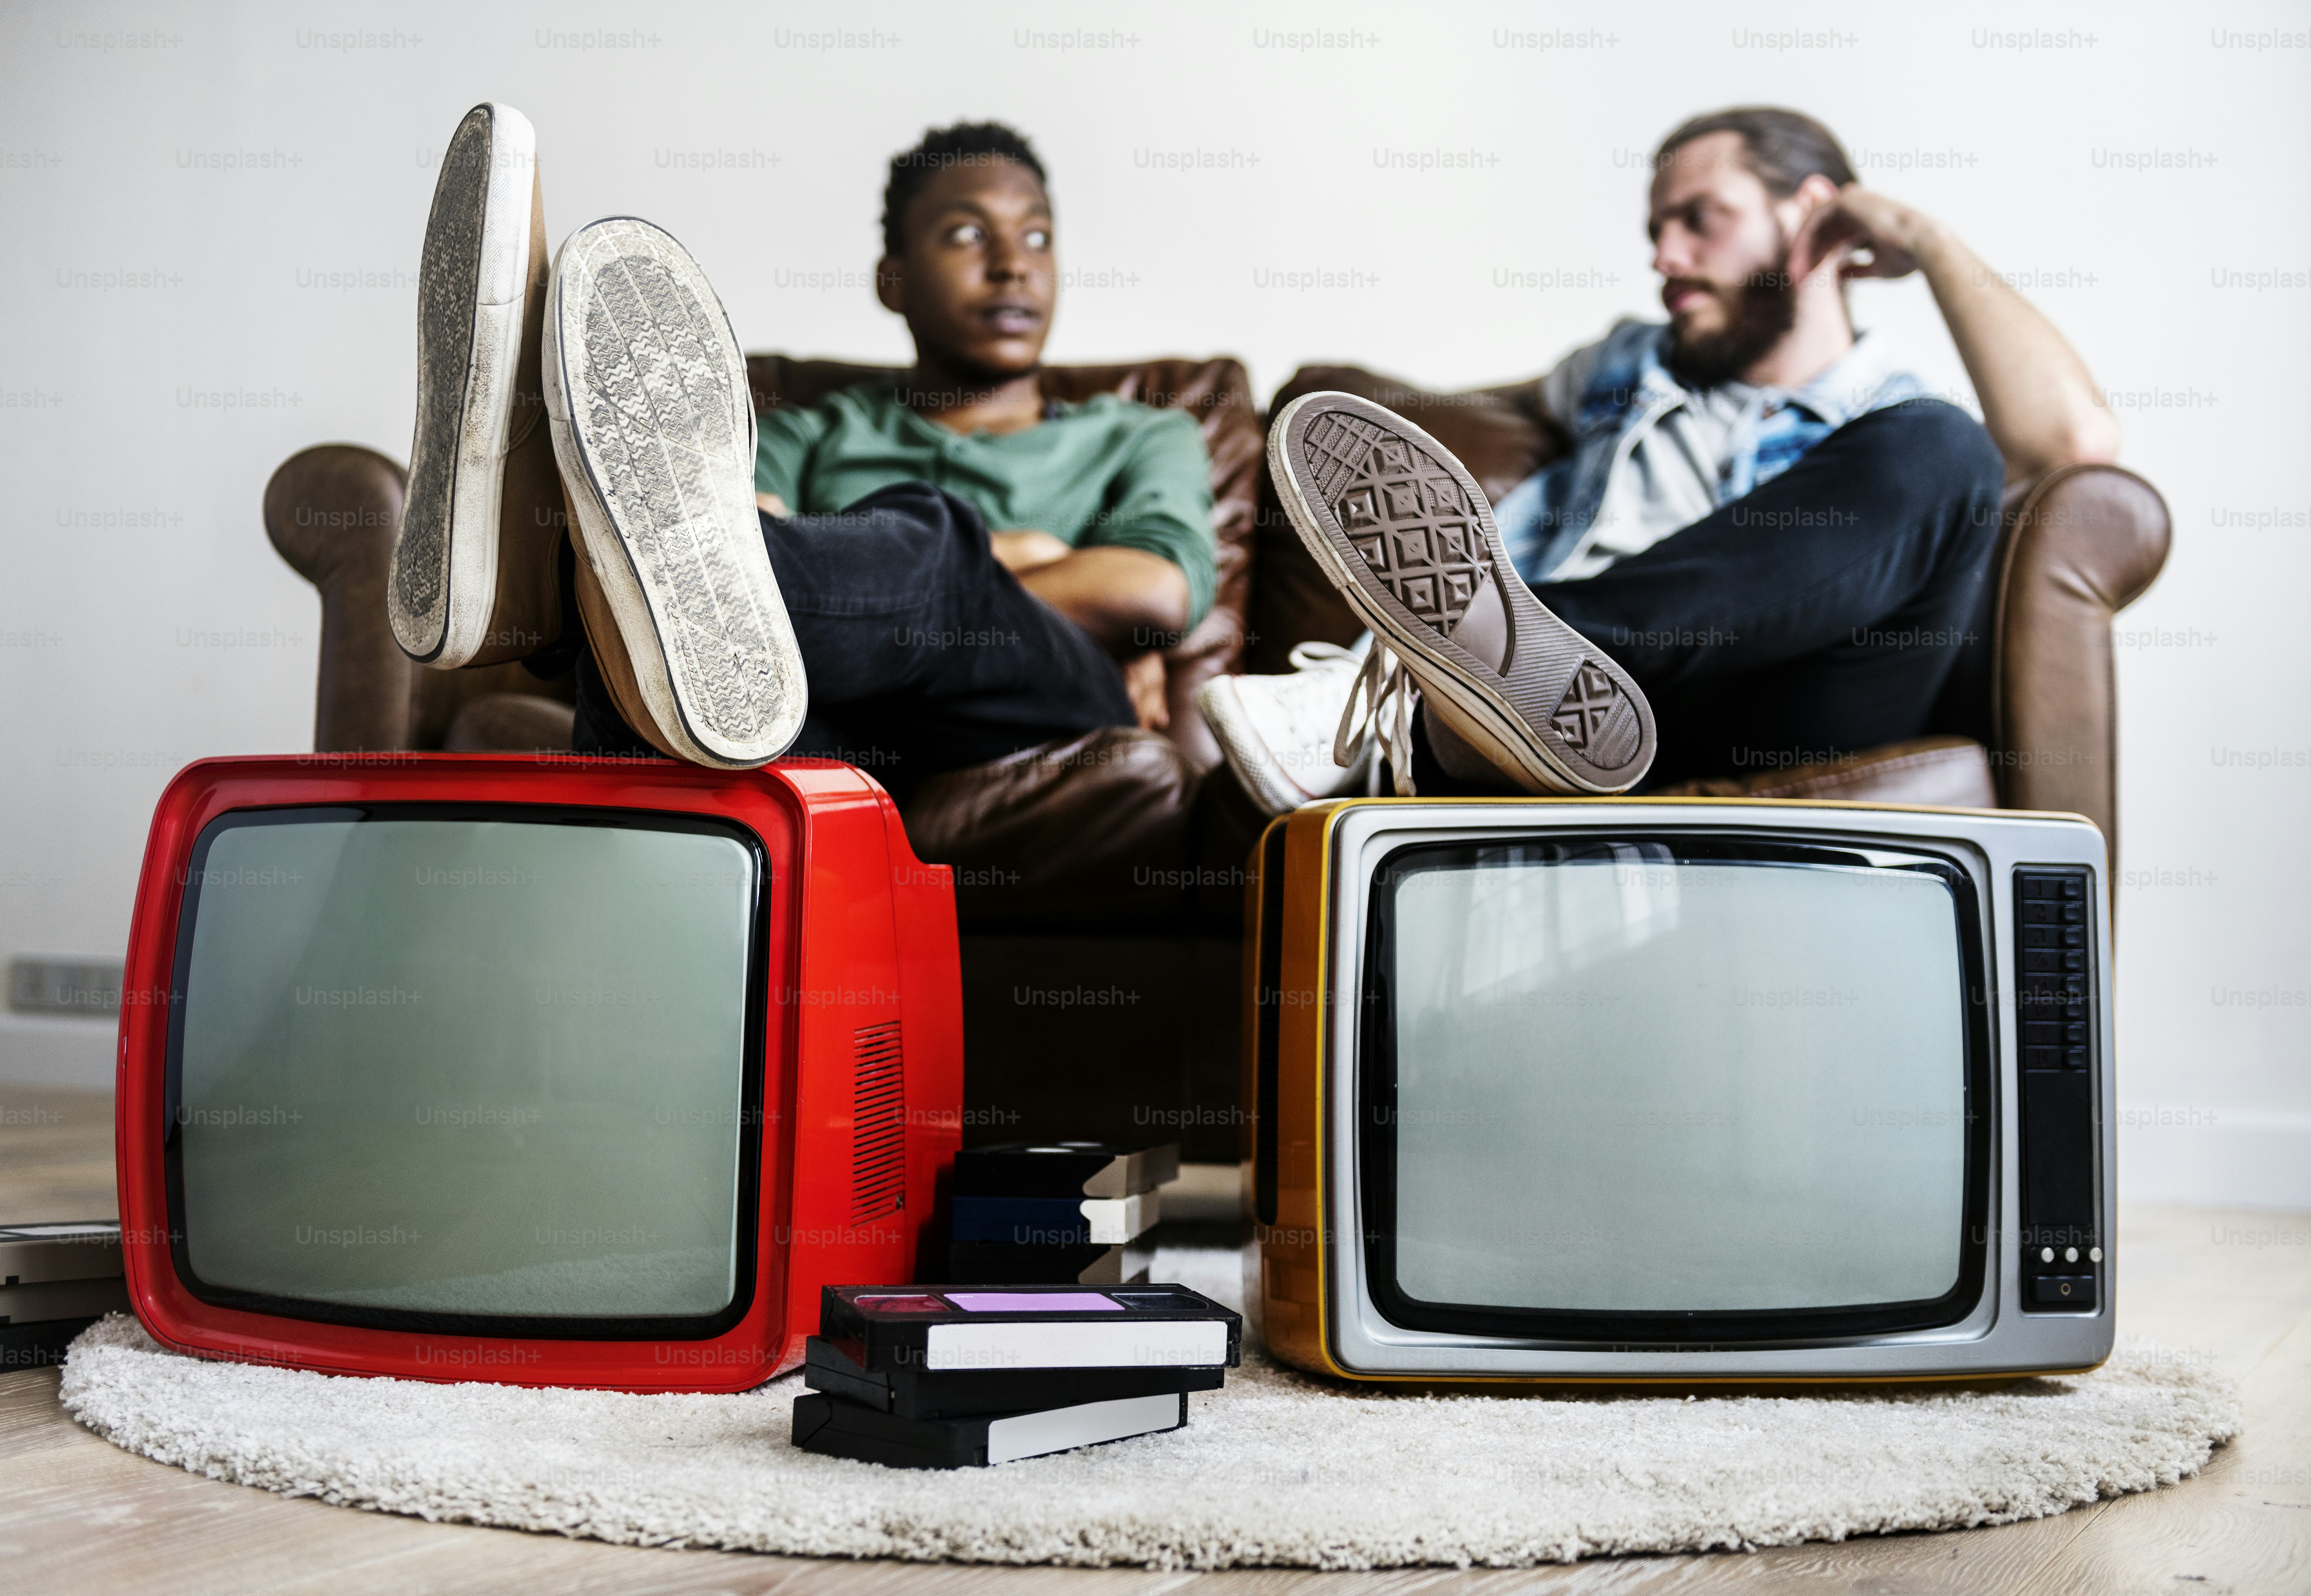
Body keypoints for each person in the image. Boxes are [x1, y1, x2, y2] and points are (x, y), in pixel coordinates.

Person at [1207, 105, 2122, 805]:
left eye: (1700, 219)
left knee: (1946, 442)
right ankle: (1482, 689)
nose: (1666, 257)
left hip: (1790, 706)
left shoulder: (1886, 423)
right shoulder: (1627, 364)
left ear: (1812, 212)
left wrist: (1922, 238)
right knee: (1529, 705)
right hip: (1576, 725)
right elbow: (1433, 421)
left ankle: (1447, 671)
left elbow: (2074, 445)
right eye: (1655, 230)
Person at [387, 107, 1215, 801]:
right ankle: (576, 582)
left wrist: (977, 566)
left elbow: (1156, 588)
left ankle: (550, 572)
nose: (1013, 267)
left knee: (932, 550)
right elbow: (729, 559)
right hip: (844, 704)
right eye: (968, 234)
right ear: (893, 281)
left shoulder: (1143, 430)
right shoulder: (810, 429)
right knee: (669, 692)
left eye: (1037, 238)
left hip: (1041, 698)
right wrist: (1041, 551)